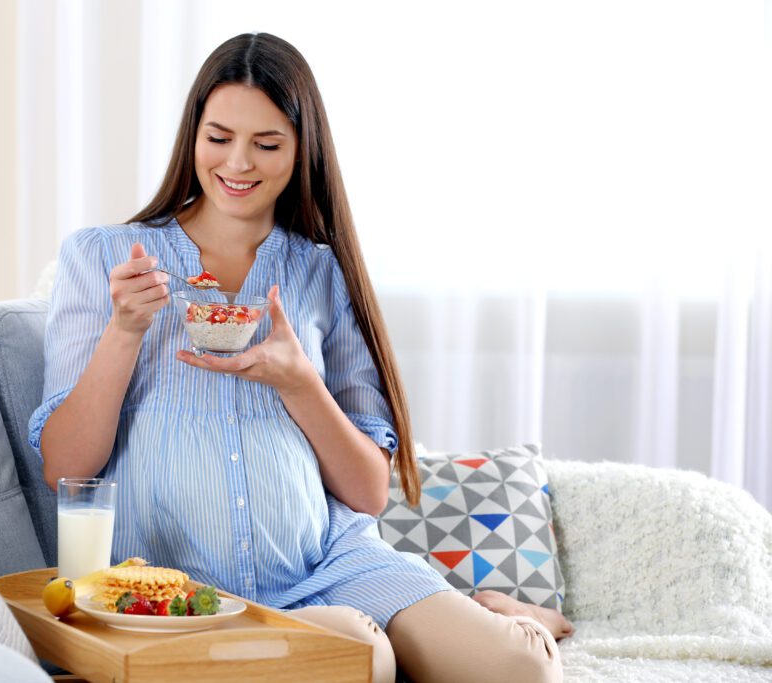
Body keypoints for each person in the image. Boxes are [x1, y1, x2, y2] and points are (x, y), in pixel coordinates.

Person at [30, 32, 570, 683]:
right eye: (219, 136)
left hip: (335, 561)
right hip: (187, 590)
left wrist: (298, 381)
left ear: (300, 149)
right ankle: (431, 624)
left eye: (267, 143)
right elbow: (66, 469)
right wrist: (124, 331)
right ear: (192, 136)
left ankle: (500, 615)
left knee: (521, 669)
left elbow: (368, 491)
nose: (238, 162)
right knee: (358, 655)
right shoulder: (100, 257)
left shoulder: (319, 271)